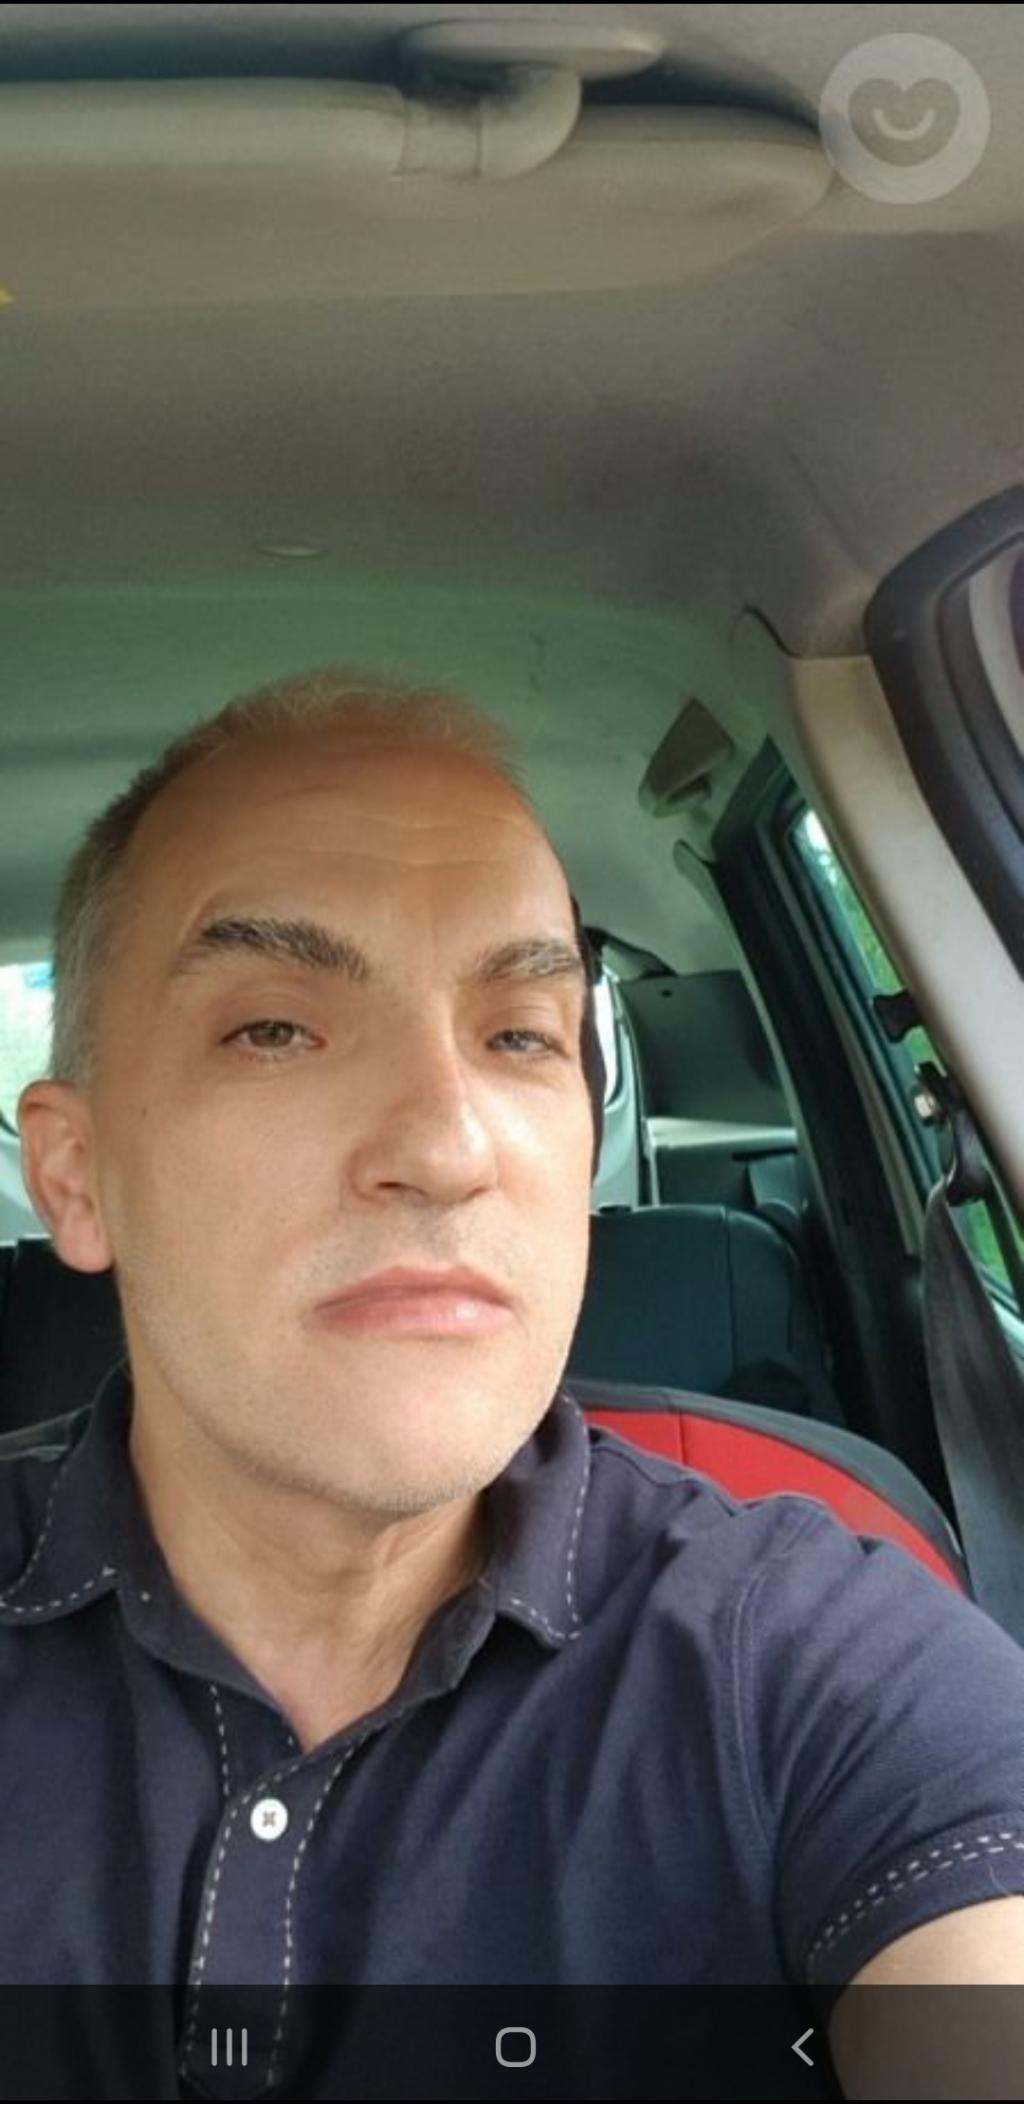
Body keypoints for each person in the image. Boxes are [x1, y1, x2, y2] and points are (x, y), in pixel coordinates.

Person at [5, 666, 1024, 2101]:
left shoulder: (810, 1655)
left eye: (520, 1036)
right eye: (275, 1027)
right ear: (75, 1174)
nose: (447, 1145)